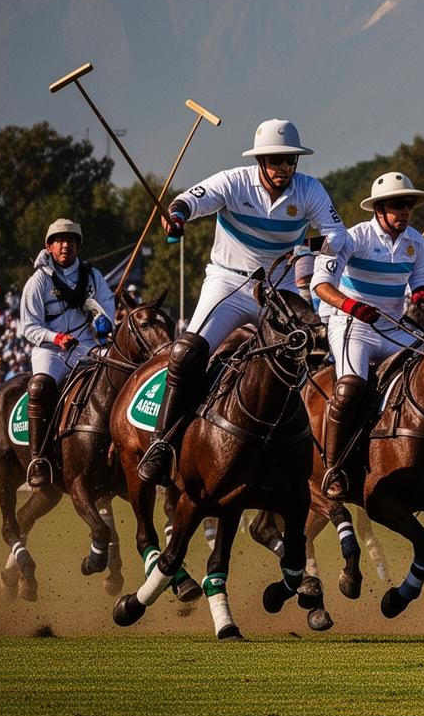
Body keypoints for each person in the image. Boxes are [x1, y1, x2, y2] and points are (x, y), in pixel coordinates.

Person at [138, 119, 350, 486]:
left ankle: (314, 455)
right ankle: (162, 443)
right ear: (260, 161)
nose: (283, 168)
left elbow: (338, 235)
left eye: (289, 160)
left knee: (315, 348)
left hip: (278, 288)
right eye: (275, 161)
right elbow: (190, 200)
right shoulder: (234, 181)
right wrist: (177, 217)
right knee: (186, 353)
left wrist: (303, 248)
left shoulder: (309, 189)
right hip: (229, 283)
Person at [310, 172, 424, 499]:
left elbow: (421, 278)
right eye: (397, 205)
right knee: (350, 388)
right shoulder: (354, 238)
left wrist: (422, 293)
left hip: (393, 328)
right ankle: (334, 468)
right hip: (353, 325)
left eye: (408, 205)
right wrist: (351, 306)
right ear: (379, 209)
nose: (404, 211)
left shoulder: (416, 242)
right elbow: (321, 284)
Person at [18, 218, 116, 488]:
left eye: (71, 241)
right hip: (52, 352)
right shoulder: (38, 281)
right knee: (39, 387)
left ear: (78, 246)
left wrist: (104, 321)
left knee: (116, 377)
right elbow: (29, 327)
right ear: (49, 247)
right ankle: (39, 459)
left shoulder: (93, 277)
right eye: (59, 241)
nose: (65, 246)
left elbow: (108, 307)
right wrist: (56, 337)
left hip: (87, 347)